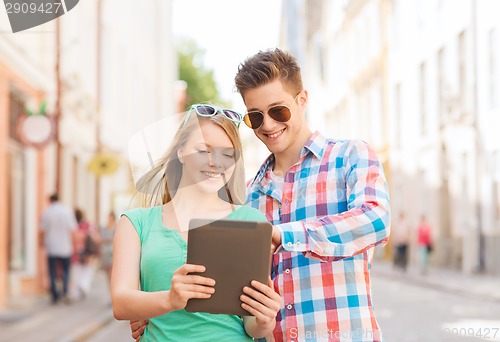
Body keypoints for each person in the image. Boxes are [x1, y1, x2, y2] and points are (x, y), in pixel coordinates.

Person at [131, 48, 391, 341]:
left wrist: (283, 235)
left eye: (278, 111)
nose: (268, 125)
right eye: (256, 116)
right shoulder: (246, 198)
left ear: (302, 99)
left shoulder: (350, 156)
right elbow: (221, 286)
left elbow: (376, 221)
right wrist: (156, 308)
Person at [112, 104, 281, 341]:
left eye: (228, 154)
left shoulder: (250, 222)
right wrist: (169, 299)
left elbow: (252, 325)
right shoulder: (136, 223)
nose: (216, 162)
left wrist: (265, 319)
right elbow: (120, 303)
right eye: (204, 150)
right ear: (180, 152)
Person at [39, 193, 78, 305]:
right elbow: (73, 230)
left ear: (50, 200)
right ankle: (65, 292)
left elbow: (42, 230)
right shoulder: (67, 212)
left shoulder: (47, 212)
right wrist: (75, 245)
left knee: (52, 271)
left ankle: (54, 294)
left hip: (52, 246)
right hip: (65, 246)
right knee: (65, 271)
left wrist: (41, 242)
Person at [71, 208, 100, 300]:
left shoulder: (73, 226)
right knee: (87, 269)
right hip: (87, 252)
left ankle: (76, 291)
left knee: (76, 272)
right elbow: (95, 237)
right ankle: (83, 285)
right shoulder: (87, 225)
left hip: (75, 252)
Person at [100, 211, 116, 291]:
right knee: (108, 274)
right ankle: (110, 292)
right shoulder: (104, 228)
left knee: (111, 273)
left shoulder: (116, 227)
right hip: (106, 252)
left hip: (113, 252)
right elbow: (100, 239)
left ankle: (113, 292)